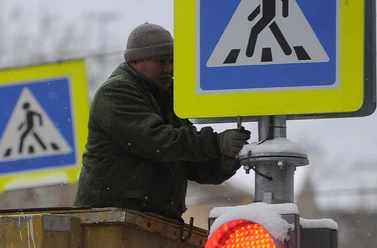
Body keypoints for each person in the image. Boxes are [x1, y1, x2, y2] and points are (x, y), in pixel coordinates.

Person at [74, 22, 250, 220]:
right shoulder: (116, 92)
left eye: (172, 61)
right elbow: (158, 141)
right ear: (135, 61)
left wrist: (225, 161)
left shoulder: (167, 97)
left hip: (149, 220)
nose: (169, 69)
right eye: (161, 62)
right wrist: (217, 142)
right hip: (108, 220)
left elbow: (189, 162)